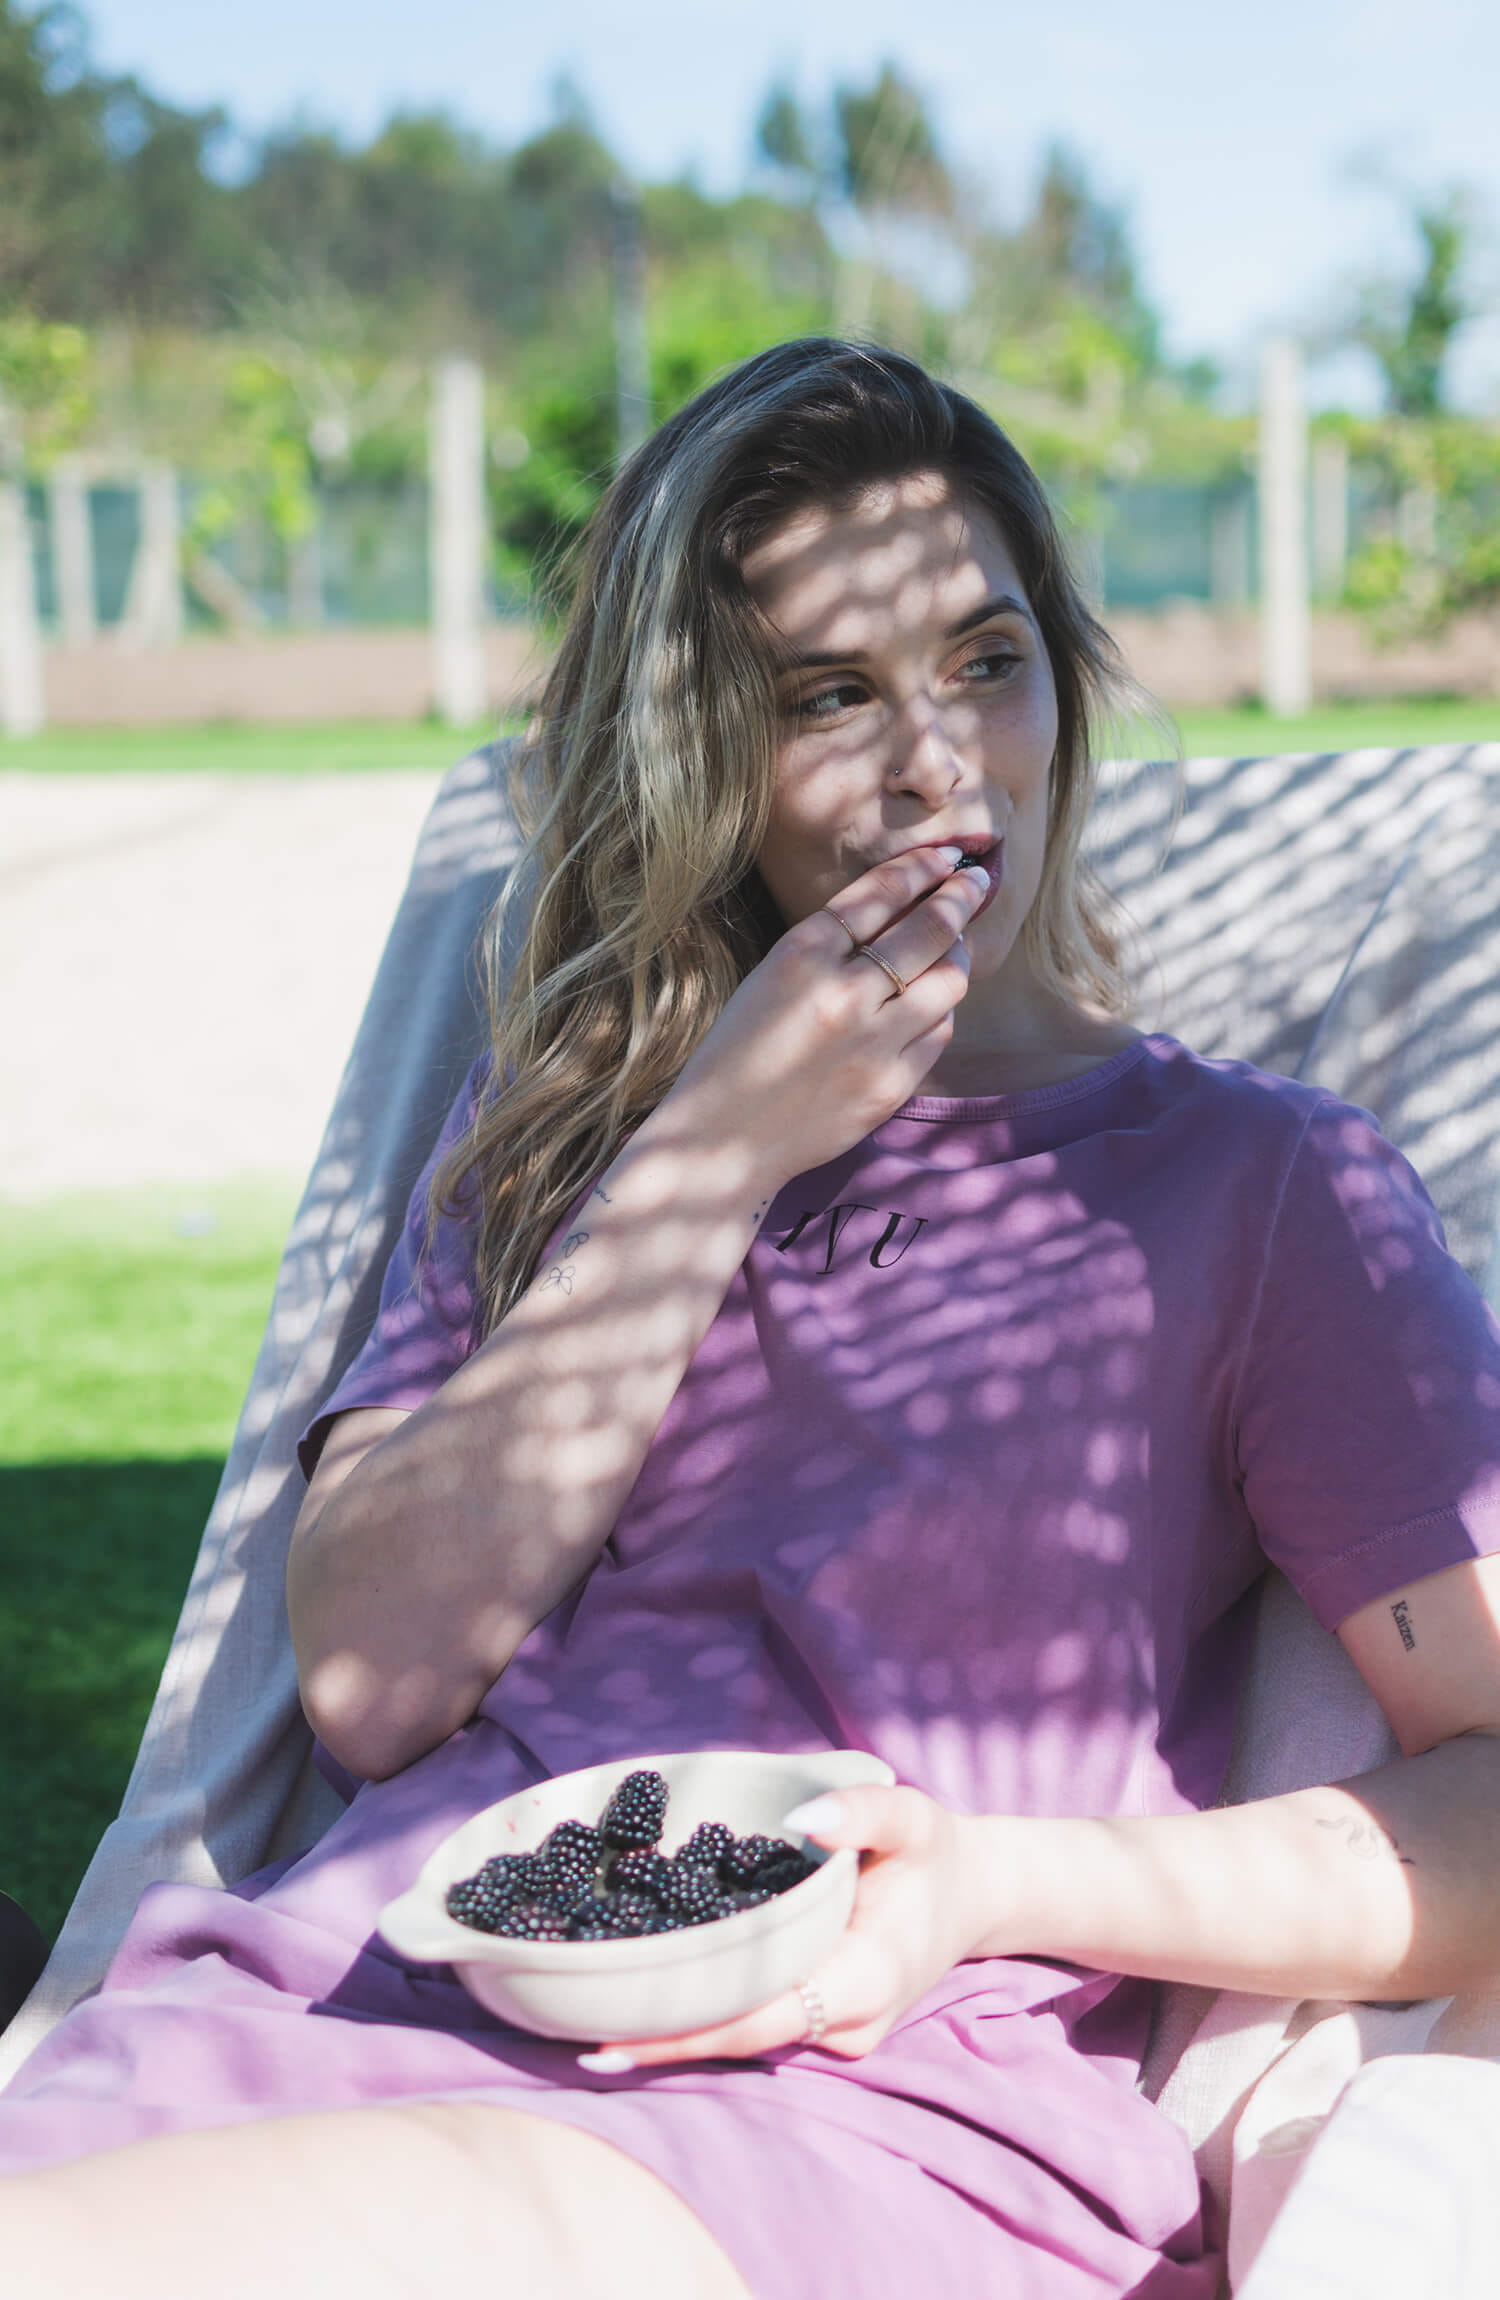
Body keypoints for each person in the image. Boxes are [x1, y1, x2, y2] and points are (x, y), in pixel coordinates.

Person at [5, 336, 1500, 2300]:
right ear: (703, 758)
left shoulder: (1257, 1185)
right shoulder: (569, 1130)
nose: (938, 765)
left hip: (836, 2104)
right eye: (830, 696)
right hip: (330, 1991)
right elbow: (368, 1681)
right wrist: (715, 1145)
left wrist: (986, 1881)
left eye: (988, 661)